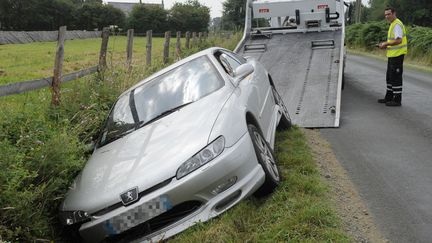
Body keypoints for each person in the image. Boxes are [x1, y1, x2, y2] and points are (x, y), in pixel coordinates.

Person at [378, 7, 408, 106]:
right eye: (385, 15)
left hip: (398, 55)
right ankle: (389, 97)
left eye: (389, 14)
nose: (387, 16)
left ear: (394, 13)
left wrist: (386, 44)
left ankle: (397, 100)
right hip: (392, 55)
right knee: (390, 77)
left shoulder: (397, 24)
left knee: (396, 77)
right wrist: (385, 44)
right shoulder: (392, 24)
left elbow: (398, 40)